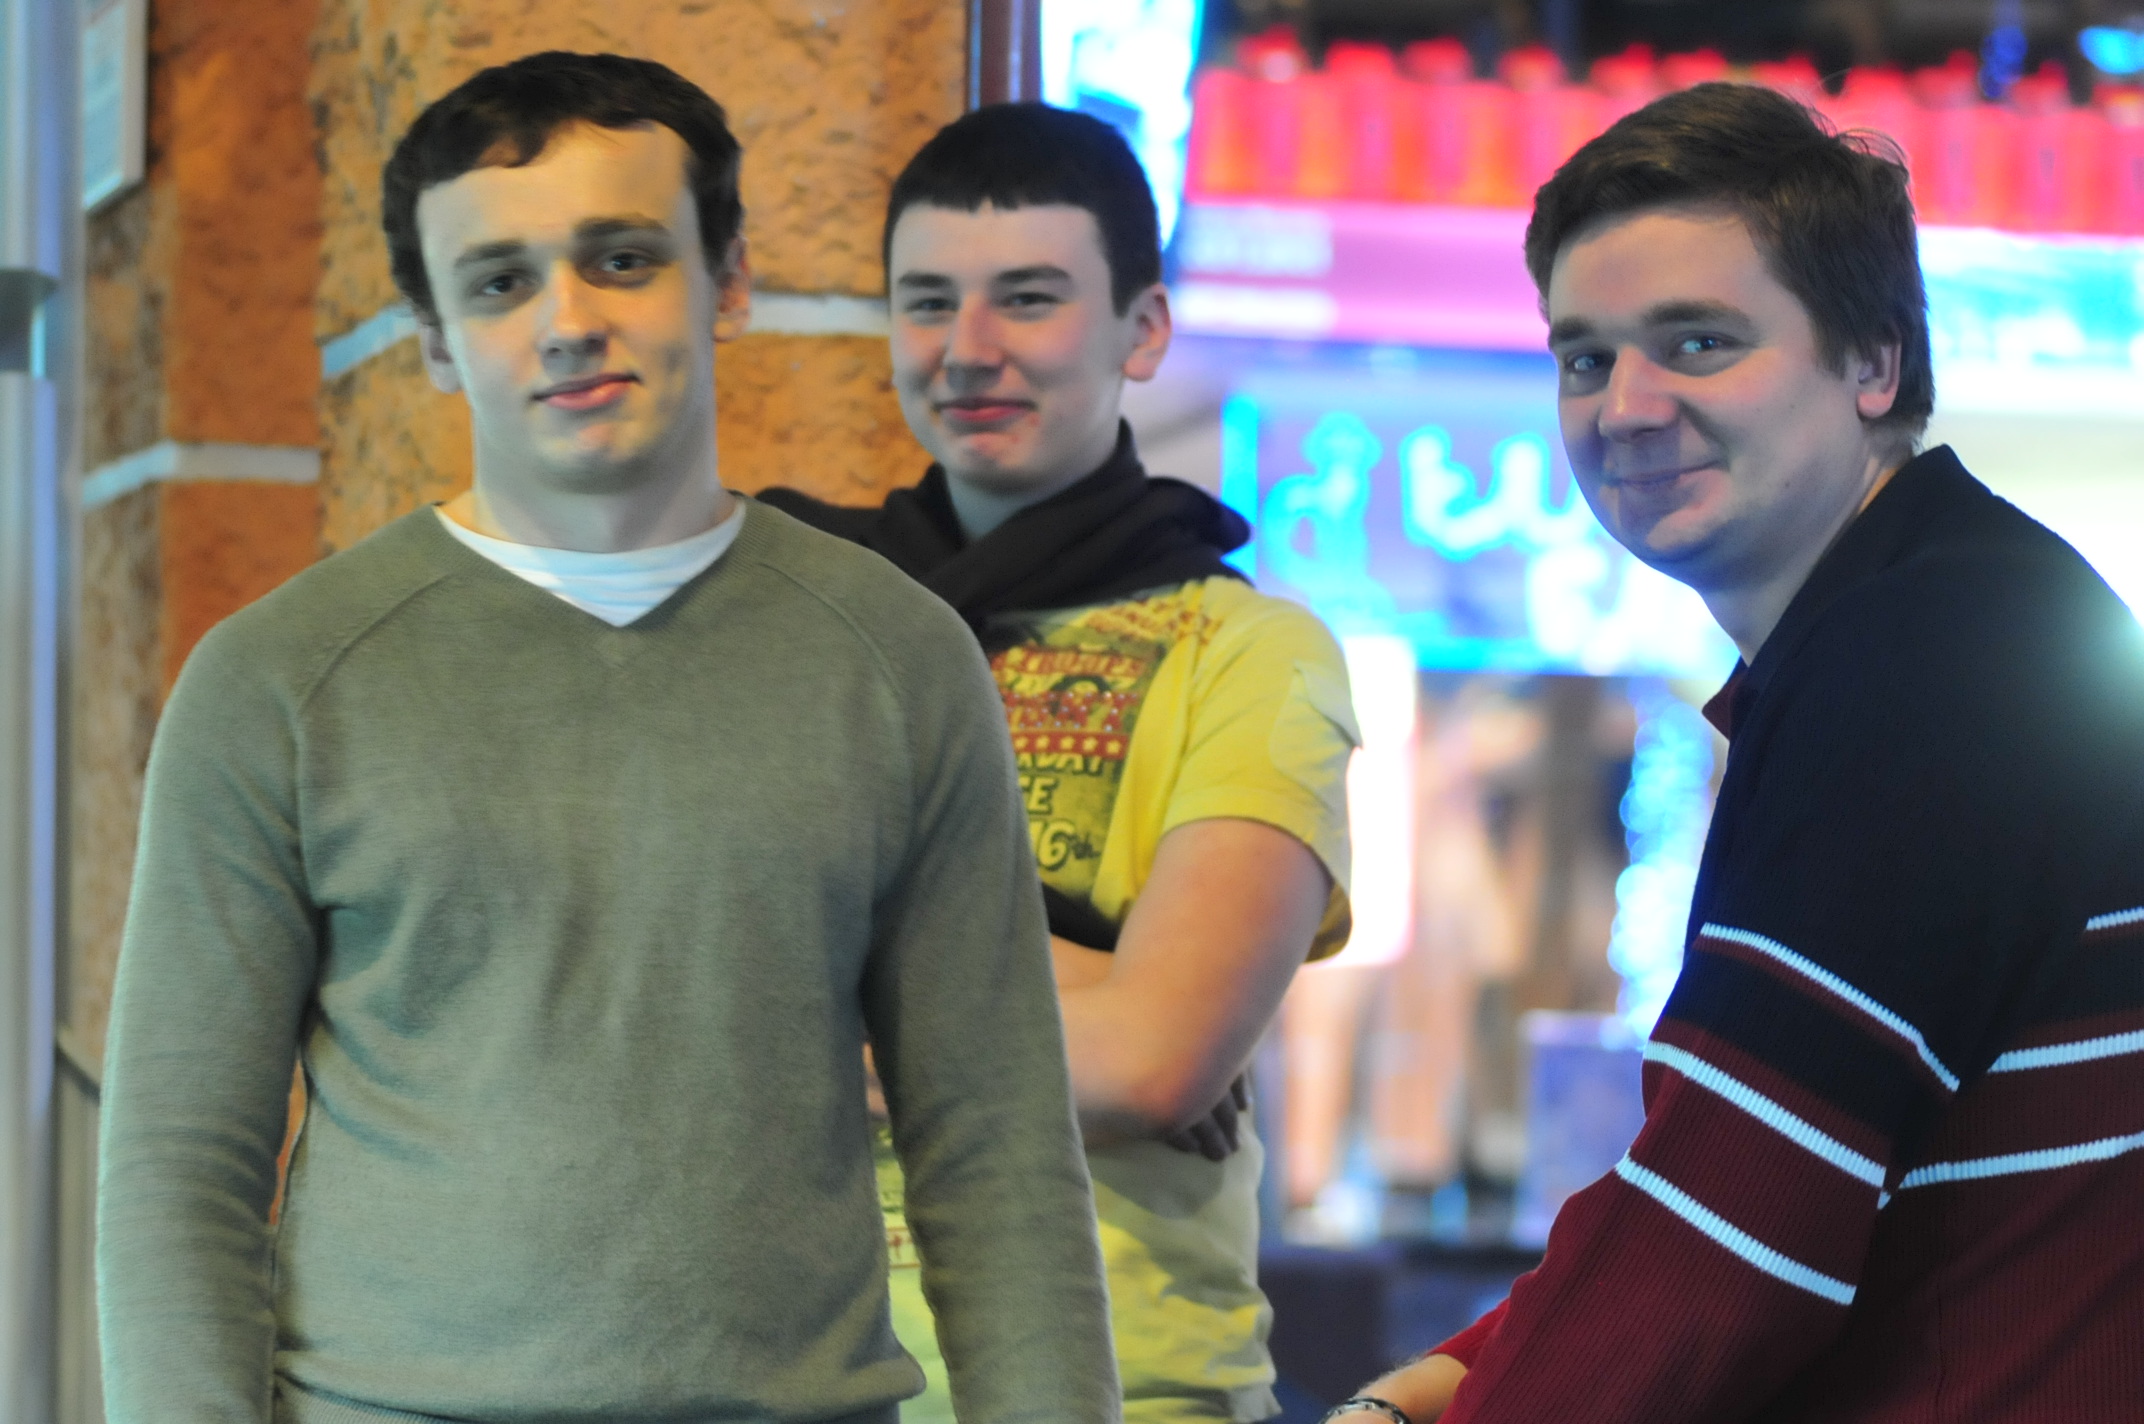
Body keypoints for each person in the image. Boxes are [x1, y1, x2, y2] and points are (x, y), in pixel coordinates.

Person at [95, 52, 1119, 1424]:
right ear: (436, 339)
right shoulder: (278, 681)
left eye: (622, 259)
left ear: (729, 280)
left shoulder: (899, 661)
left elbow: (996, 1152)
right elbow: (179, 1170)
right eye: (499, 283)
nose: (567, 321)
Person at [1327, 81, 2144, 1424]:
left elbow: (1728, 1241)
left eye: (1698, 343)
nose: (1626, 408)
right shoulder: (1944, 615)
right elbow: (1738, 1191)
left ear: (1874, 364)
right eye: (1585, 359)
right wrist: (1426, 1394)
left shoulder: (1926, 655)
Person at [759, 104, 1359, 1423]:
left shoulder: (1248, 652)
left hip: (1122, 1391)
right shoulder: (789, 616)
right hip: (798, 1378)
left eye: (1028, 299)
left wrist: (808, 982)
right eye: (928, 302)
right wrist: (1090, 988)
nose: (969, 349)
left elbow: (1153, 1061)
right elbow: (653, 967)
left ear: (1142, 329)